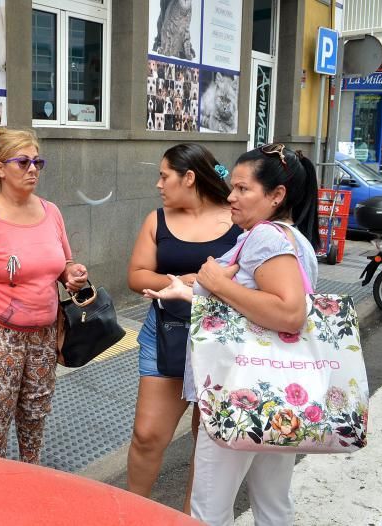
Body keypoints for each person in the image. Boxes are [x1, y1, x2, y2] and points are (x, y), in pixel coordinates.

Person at [144, 143, 320, 525]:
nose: (231, 196)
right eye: (232, 187)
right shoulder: (294, 239)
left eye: (243, 189)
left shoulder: (265, 239)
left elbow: (290, 313)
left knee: (208, 508)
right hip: (278, 392)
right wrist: (189, 290)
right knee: (273, 504)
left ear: (276, 196)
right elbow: (255, 299)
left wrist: (216, 285)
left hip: (238, 393)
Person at [0, 128, 88, 463]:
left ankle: (29, 480)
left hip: (43, 334)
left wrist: (73, 274)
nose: (33, 169)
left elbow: (63, 263)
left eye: (38, 161)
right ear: (0, 169)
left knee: (35, 415)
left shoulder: (51, 212)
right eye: (23, 161)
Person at [126, 143, 242, 509]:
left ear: (189, 178)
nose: (159, 184)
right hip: (166, 333)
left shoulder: (237, 220)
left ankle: (192, 516)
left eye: (164, 176)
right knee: (147, 435)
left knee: (205, 439)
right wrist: (186, 279)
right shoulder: (156, 219)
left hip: (222, 340)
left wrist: (209, 285)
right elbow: (136, 275)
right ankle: (132, 513)